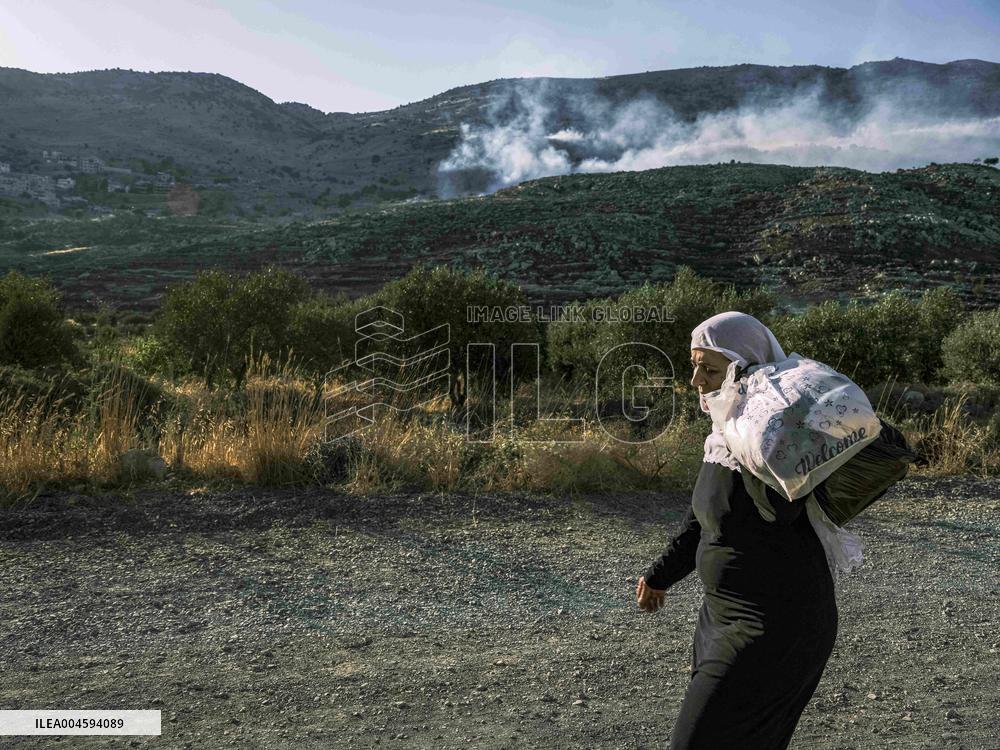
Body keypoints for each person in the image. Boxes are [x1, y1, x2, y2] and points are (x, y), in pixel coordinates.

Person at [636, 311, 838, 750]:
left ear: (744, 368)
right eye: (694, 365)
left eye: (708, 369)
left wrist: (770, 436)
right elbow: (703, 521)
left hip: (775, 625)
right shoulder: (727, 433)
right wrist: (659, 576)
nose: (695, 380)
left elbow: (783, 510)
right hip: (720, 618)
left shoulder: (774, 437)